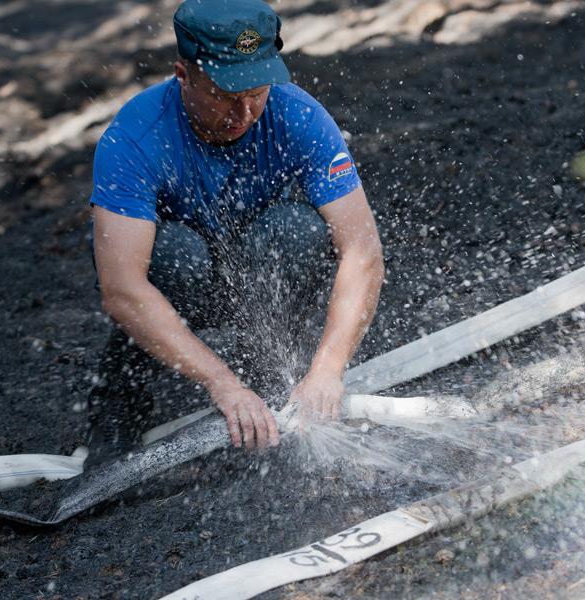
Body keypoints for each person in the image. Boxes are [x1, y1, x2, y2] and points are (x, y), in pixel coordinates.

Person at [85, 0, 384, 466]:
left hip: (256, 271)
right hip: (182, 281)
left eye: (256, 92)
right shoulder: (135, 138)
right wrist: (221, 383)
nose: (244, 112)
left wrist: (327, 370)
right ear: (183, 75)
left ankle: (264, 373)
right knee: (176, 255)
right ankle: (123, 400)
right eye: (225, 95)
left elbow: (362, 252)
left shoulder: (299, 117)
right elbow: (122, 289)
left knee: (297, 231)